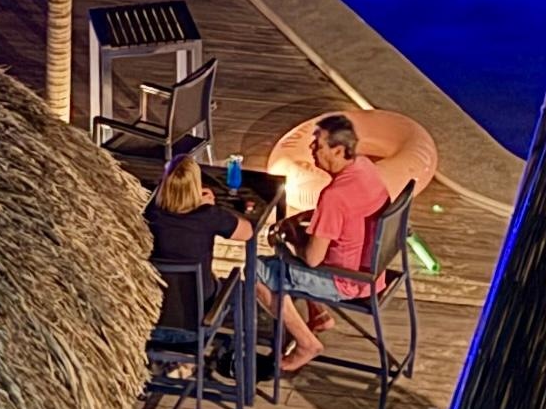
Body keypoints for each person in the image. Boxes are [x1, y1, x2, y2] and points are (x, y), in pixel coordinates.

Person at [253, 112, 392, 373]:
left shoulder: (334, 196)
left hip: (345, 281)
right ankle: (319, 315)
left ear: (338, 150)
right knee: (292, 244)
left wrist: (293, 240)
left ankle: (306, 344)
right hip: (372, 272)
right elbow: (350, 214)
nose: (311, 148)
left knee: (255, 269)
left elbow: (312, 259)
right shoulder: (365, 167)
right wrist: (306, 222)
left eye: (318, 144)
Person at [144, 136, 251, 340]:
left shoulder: (151, 215)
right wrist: (209, 207)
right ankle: (237, 351)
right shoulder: (207, 217)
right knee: (236, 285)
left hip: (151, 325)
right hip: (197, 327)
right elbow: (247, 232)